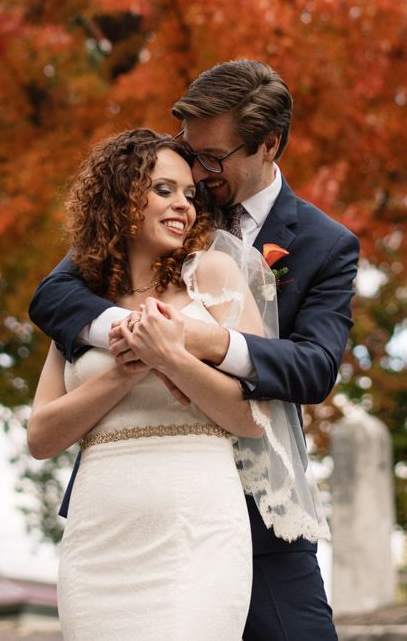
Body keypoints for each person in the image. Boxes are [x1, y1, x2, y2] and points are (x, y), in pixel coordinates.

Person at [30, 60, 358, 641]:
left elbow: (314, 368)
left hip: (260, 511)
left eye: (213, 157)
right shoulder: (161, 204)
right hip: (123, 507)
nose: (196, 173)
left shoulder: (324, 244)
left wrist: (207, 341)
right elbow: (55, 296)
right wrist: (133, 335)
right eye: (189, 149)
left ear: (268, 146)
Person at [27, 128, 269, 640]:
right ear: (120, 197)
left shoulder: (216, 277)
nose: (183, 204)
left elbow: (254, 418)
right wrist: (124, 368)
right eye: (164, 190)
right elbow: (41, 436)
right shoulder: (82, 303)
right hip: (98, 539)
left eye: (189, 194)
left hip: (195, 530)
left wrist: (170, 356)